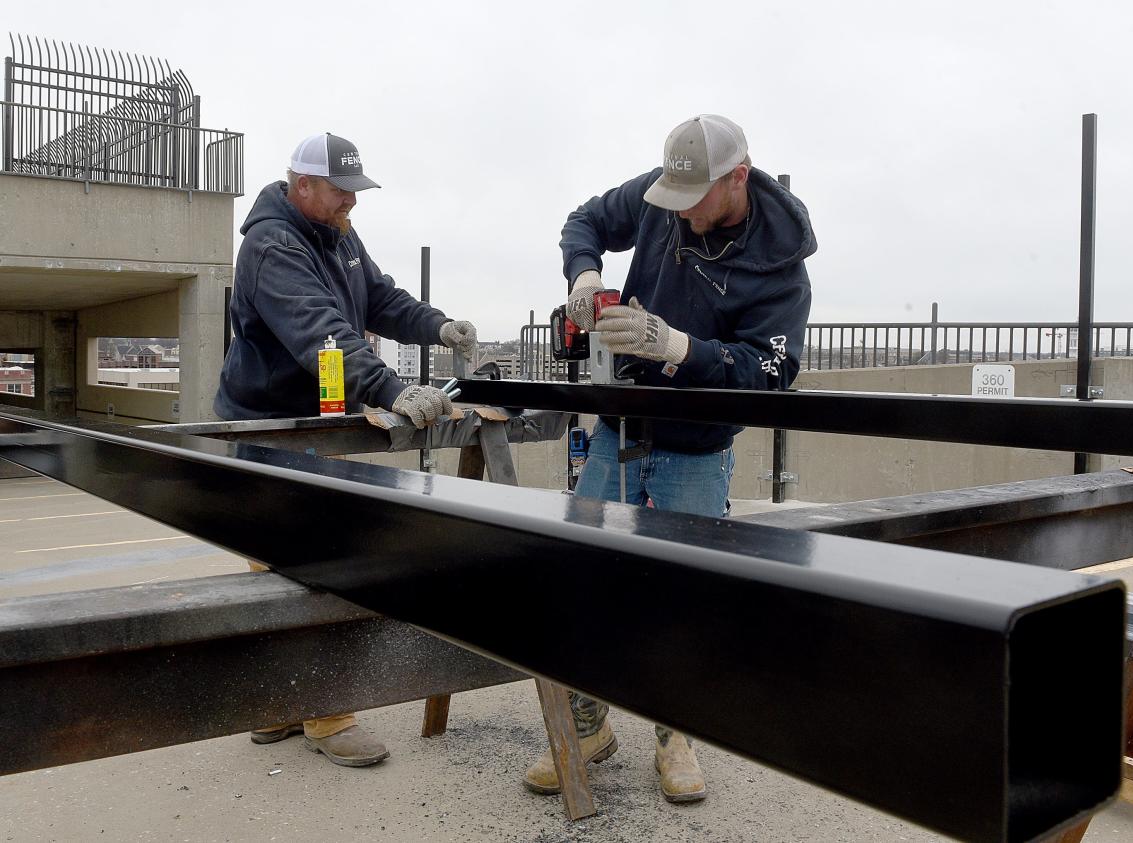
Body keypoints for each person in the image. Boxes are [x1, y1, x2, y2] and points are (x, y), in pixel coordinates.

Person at [523, 114, 815, 802]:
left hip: (694, 445)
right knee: (587, 570)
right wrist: (586, 273)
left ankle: (674, 730)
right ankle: (589, 724)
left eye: (695, 198)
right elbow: (585, 220)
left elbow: (769, 374)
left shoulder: (779, 267)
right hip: (619, 426)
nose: (678, 211)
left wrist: (679, 347)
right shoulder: (665, 197)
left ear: (737, 178)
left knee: (681, 594)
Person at [215, 132, 477, 767]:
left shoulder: (336, 233)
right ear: (302, 186)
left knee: (281, 569)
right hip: (270, 428)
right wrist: (392, 388)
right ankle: (326, 714)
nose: (351, 204)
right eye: (341, 193)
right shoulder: (271, 245)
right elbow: (321, 331)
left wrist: (436, 325)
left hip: (316, 420)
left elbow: (379, 299)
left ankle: (279, 705)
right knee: (310, 567)